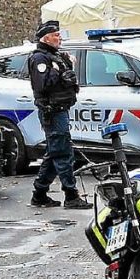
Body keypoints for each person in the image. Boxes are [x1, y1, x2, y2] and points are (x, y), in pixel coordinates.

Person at [28, 20, 90, 209]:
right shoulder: (40, 58)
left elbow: (65, 80)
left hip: (61, 109)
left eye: (59, 34)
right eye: (56, 35)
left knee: (55, 151)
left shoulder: (56, 57)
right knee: (63, 153)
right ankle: (71, 195)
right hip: (51, 111)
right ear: (46, 38)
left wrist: (66, 67)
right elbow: (43, 84)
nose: (59, 38)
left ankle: (39, 194)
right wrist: (59, 72)